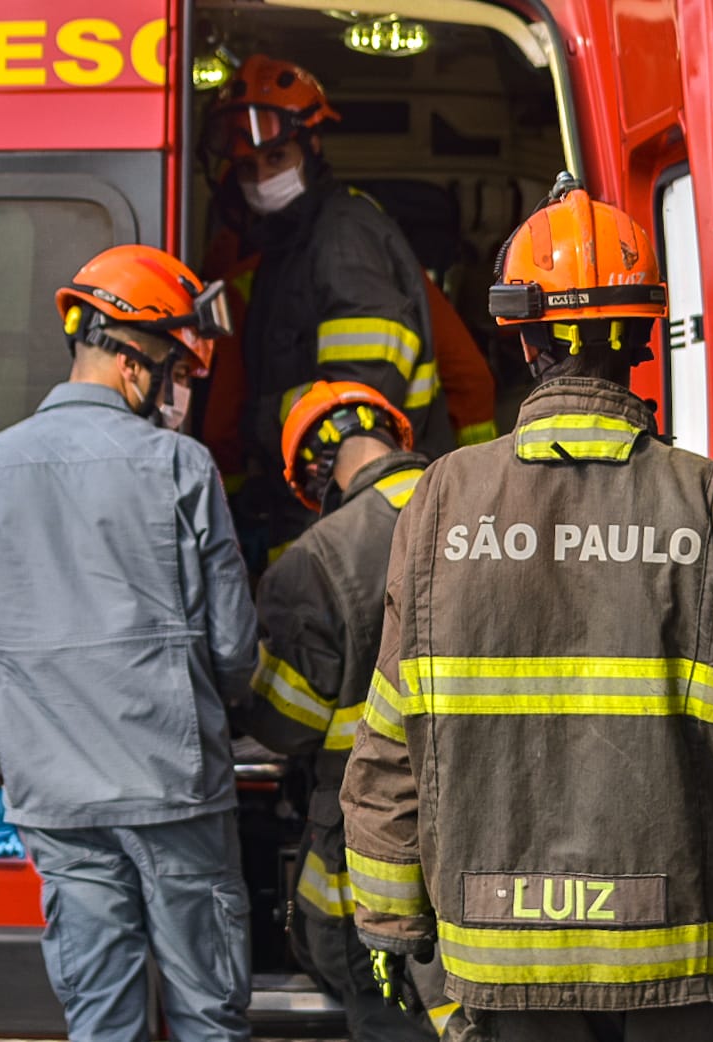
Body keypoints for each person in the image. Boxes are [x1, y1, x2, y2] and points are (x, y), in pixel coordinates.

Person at [339, 175, 713, 1042]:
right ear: (643, 336)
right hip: (689, 956)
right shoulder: (705, 501)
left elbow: (391, 736)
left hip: (501, 957)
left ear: (523, 343)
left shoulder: (443, 501)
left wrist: (387, 917)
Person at [0, 244, 258, 1042]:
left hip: (56, 803)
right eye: (176, 368)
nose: (179, 390)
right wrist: (207, 713)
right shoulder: (182, 467)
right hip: (174, 789)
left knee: (101, 1018)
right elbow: (235, 647)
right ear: (136, 362)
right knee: (209, 1014)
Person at [238, 381, 455, 1039]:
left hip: (365, 837)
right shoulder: (488, 510)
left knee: (379, 998)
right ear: (393, 434)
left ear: (316, 469)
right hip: (496, 815)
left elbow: (286, 723)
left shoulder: (315, 558)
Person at [200, 54, 457, 560]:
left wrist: (256, 422)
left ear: (312, 146)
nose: (261, 179)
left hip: (353, 521)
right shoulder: (288, 245)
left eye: (276, 159)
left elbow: (360, 396)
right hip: (321, 514)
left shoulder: (342, 237)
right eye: (249, 167)